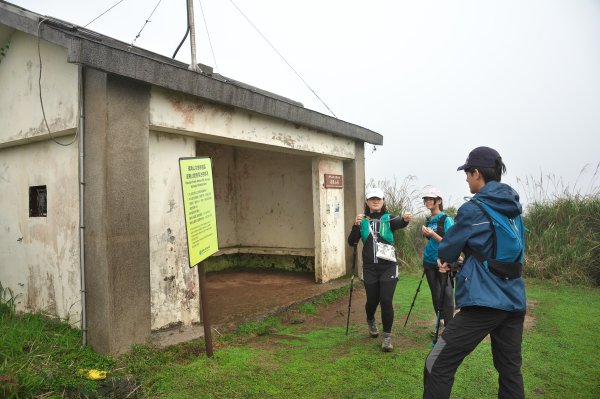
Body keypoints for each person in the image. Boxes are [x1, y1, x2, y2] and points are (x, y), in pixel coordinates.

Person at [423, 146, 527, 398]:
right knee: (510, 371)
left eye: (468, 174)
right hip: (514, 299)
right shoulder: (514, 210)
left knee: (436, 364)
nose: (467, 179)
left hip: (484, 302)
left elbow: (448, 248)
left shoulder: (472, 209)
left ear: (477, 173)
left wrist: (447, 261)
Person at [347, 187, 412, 352]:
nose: (375, 201)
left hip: (388, 267)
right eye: (372, 198)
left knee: (386, 300)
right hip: (369, 268)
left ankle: (387, 337)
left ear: (383, 201)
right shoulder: (361, 220)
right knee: (372, 301)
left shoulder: (389, 218)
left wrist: (405, 219)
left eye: (379, 199)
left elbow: (400, 222)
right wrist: (355, 225)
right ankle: (370, 319)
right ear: (367, 202)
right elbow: (352, 242)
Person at [421, 188, 455, 332]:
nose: (428, 201)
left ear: (439, 201)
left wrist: (433, 234)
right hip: (429, 260)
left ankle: (449, 327)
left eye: (431, 199)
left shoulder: (446, 219)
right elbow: (432, 241)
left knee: (446, 295)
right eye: (426, 199)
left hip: (443, 262)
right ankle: (440, 322)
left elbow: (451, 242)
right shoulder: (429, 220)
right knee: (435, 294)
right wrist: (427, 235)